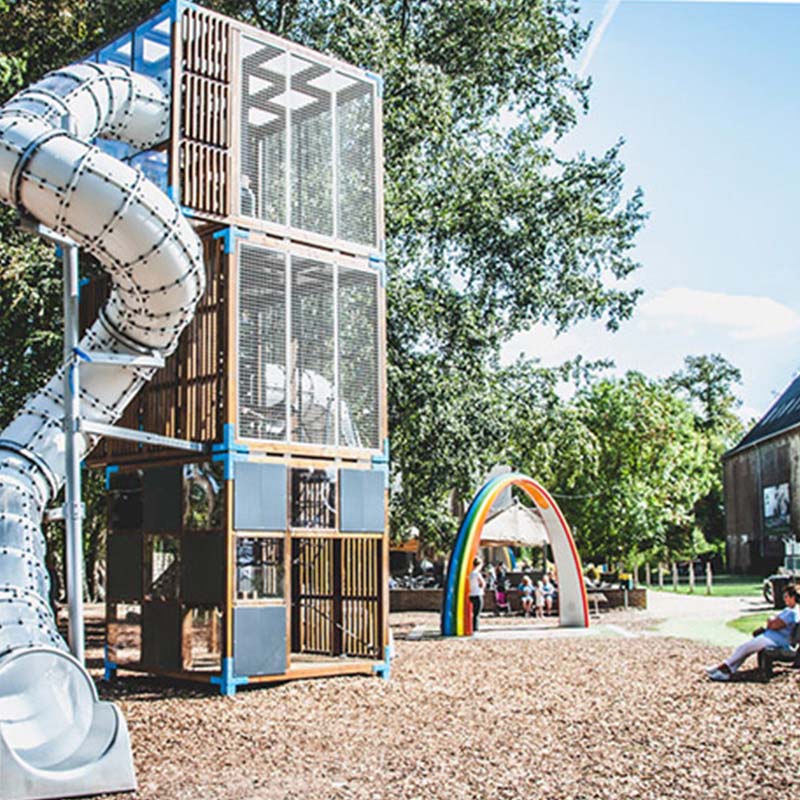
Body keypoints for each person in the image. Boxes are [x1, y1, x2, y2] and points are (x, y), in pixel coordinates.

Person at [707, 584, 800, 681]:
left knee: (744, 648)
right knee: (744, 650)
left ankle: (721, 668)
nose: (784, 599)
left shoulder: (792, 612)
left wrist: (771, 619)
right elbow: (774, 624)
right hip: (772, 637)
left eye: (786, 597)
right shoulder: (789, 610)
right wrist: (772, 621)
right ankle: (726, 670)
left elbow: (774, 625)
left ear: (793, 598)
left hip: (776, 640)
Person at [469, 557, 486, 633]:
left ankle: (473, 627)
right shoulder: (477, 574)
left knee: (474, 613)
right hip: (477, 594)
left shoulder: (471, 574)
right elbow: (482, 584)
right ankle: (475, 628)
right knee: (477, 613)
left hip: (472, 594)